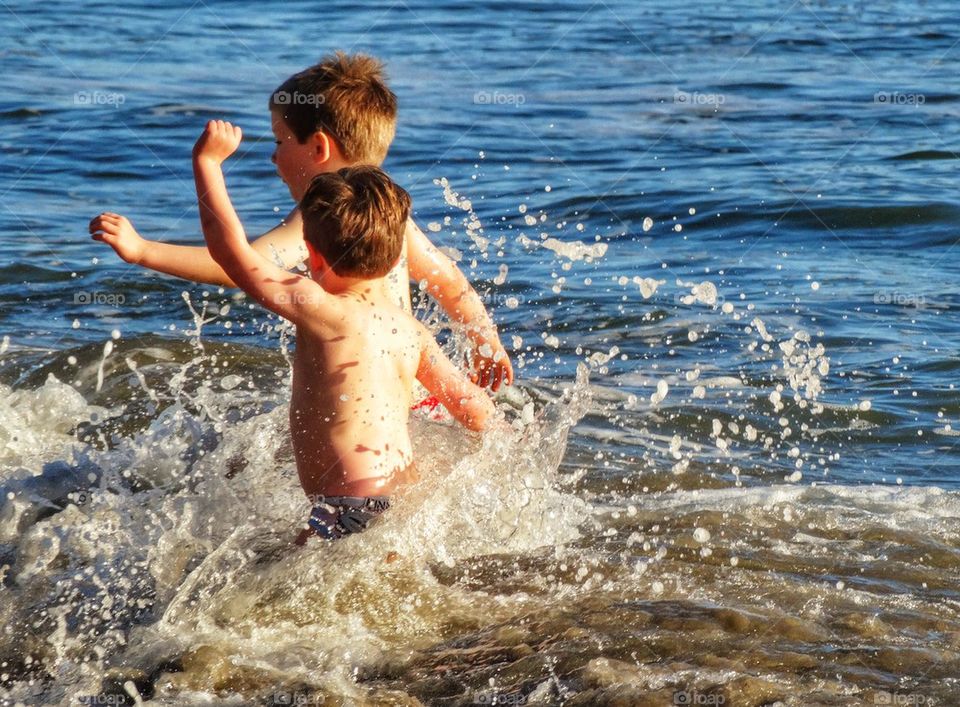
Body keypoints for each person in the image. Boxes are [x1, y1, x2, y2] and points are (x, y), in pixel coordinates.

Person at [89, 52, 512, 390]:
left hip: (357, 394)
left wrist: (143, 250)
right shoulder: (390, 216)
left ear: (319, 148)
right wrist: (484, 342)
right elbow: (450, 282)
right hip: (409, 391)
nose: (273, 156)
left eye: (279, 140)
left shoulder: (322, 217)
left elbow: (238, 265)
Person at [191, 119, 496, 544]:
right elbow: (474, 409)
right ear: (395, 263)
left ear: (312, 256)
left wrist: (207, 163)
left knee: (275, 590)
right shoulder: (411, 331)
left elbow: (231, 254)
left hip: (346, 505)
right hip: (404, 499)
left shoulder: (321, 307)